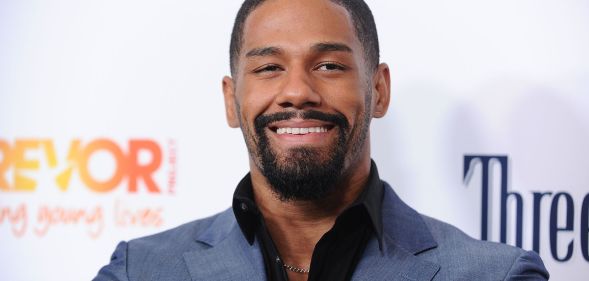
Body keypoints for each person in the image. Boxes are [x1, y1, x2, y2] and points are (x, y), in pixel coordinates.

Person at [94, 0, 549, 280]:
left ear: (378, 90)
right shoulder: (141, 271)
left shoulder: (495, 275)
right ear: (232, 101)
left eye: (329, 65)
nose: (297, 91)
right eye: (269, 67)